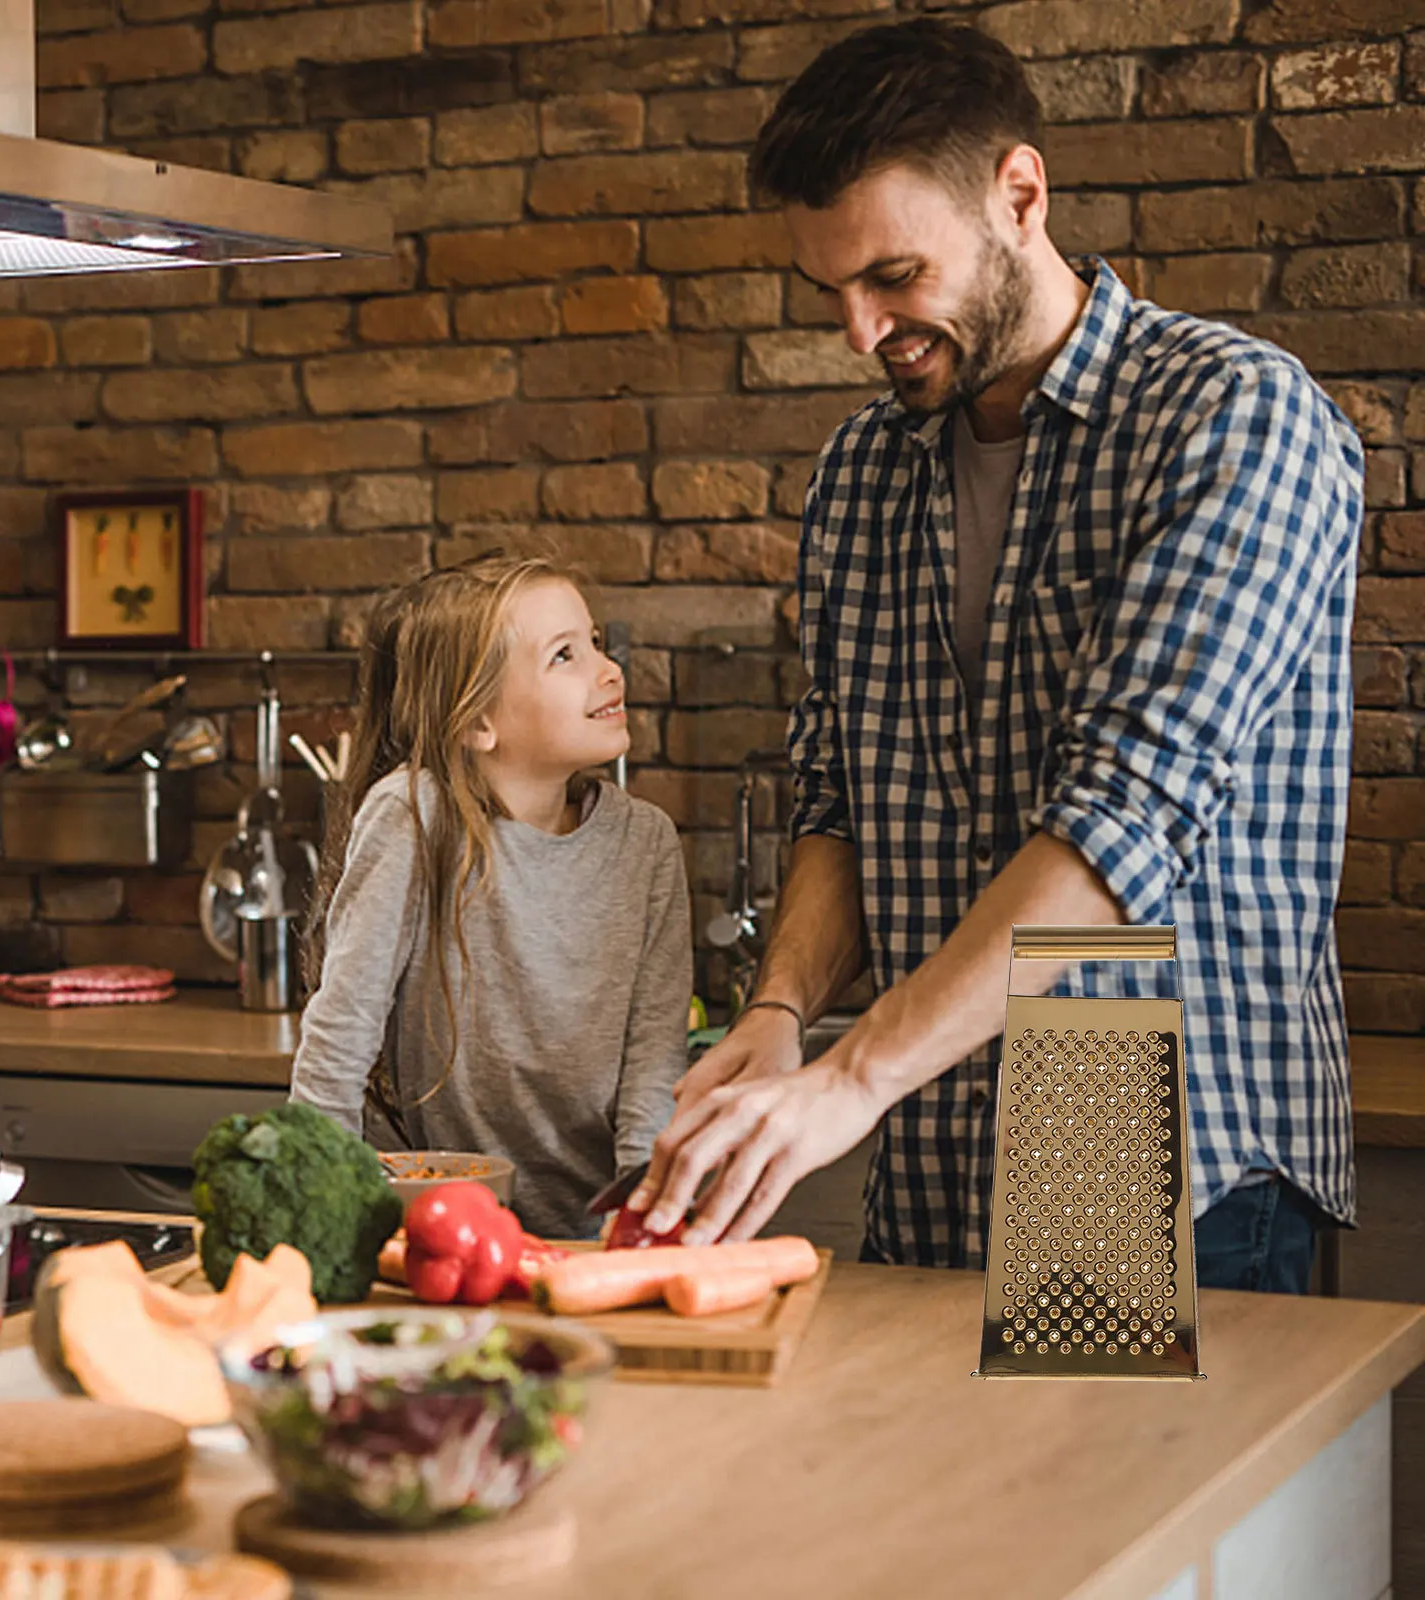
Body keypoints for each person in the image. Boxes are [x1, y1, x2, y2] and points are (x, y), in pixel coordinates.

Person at [631, 19, 1365, 1296]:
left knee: (1122, 1505)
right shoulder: (863, 473)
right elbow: (838, 795)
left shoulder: (1231, 416)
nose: (862, 332)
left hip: (1134, 1105)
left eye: (895, 277)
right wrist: (779, 1014)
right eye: (832, 294)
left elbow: (1121, 820)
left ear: (1018, 195)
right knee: (942, 1500)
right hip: (934, 1131)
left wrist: (850, 1074)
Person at [292, 556, 693, 1239]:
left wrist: (639, 1224)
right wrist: (315, 1210)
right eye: (565, 655)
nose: (608, 669)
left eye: (596, 642)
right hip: (440, 1235)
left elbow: (654, 1065)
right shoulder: (415, 816)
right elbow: (340, 1036)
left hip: (593, 1234)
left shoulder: (647, 844)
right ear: (479, 719)